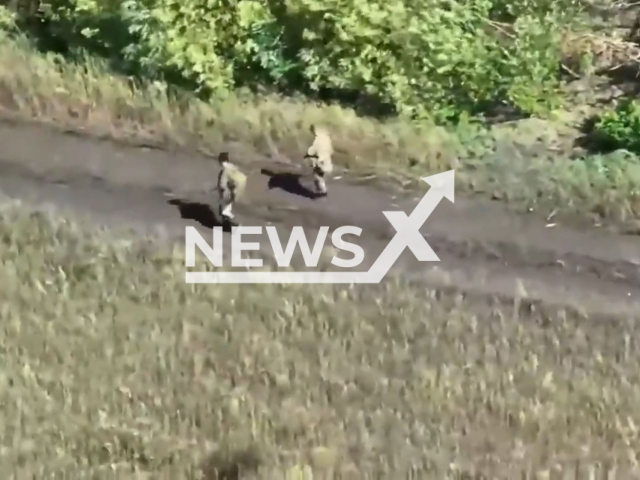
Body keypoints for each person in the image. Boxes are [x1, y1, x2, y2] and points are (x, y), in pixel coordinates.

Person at [216, 152, 247, 226]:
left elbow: (222, 184)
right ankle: (227, 221)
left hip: (230, 190)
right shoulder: (233, 167)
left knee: (224, 208)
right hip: (239, 188)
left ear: (220, 161)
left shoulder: (225, 170)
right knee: (227, 206)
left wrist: (220, 189)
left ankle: (232, 224)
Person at [304, 124, 333, 197]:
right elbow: (330, 149)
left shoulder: (317, 140)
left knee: (317, 176)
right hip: (326, 160)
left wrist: (307, 154)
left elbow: (312, 150)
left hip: (321, 161)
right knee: (319, 175)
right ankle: (320, 189)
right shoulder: (326, 138)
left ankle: (323, 191)